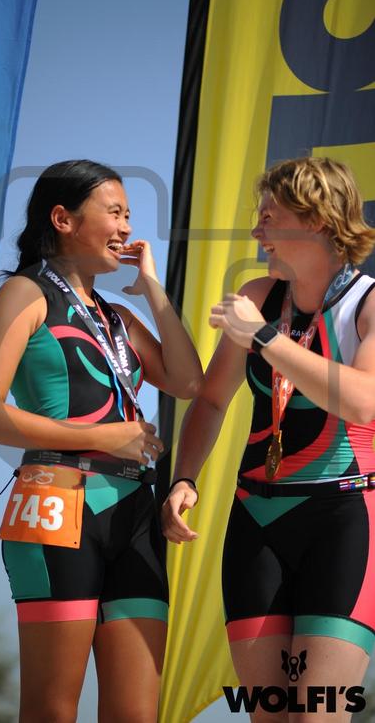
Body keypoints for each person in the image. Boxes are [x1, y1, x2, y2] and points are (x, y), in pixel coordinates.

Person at [0, 159, 202, 723]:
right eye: (115, 212)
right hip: (55, 500)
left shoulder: (118, 317)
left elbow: (188, 381)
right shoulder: (24, 293)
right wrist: (104, 436)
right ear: (63, 219)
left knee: (136, 715)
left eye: (129, 215)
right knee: (51, 710)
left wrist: (152, 288)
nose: (127, 227)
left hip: (135, 512)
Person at [162, 157, 375, 722]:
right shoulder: (259, 295)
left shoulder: (368, 302)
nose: (256, 231)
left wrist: (262, 338)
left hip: (344, 517)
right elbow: (211, 400)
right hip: (256, 518)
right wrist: (185, 478)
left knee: (317, 714)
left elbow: (363, 401)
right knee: (269, 715)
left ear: (316, 220)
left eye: (268, 217)